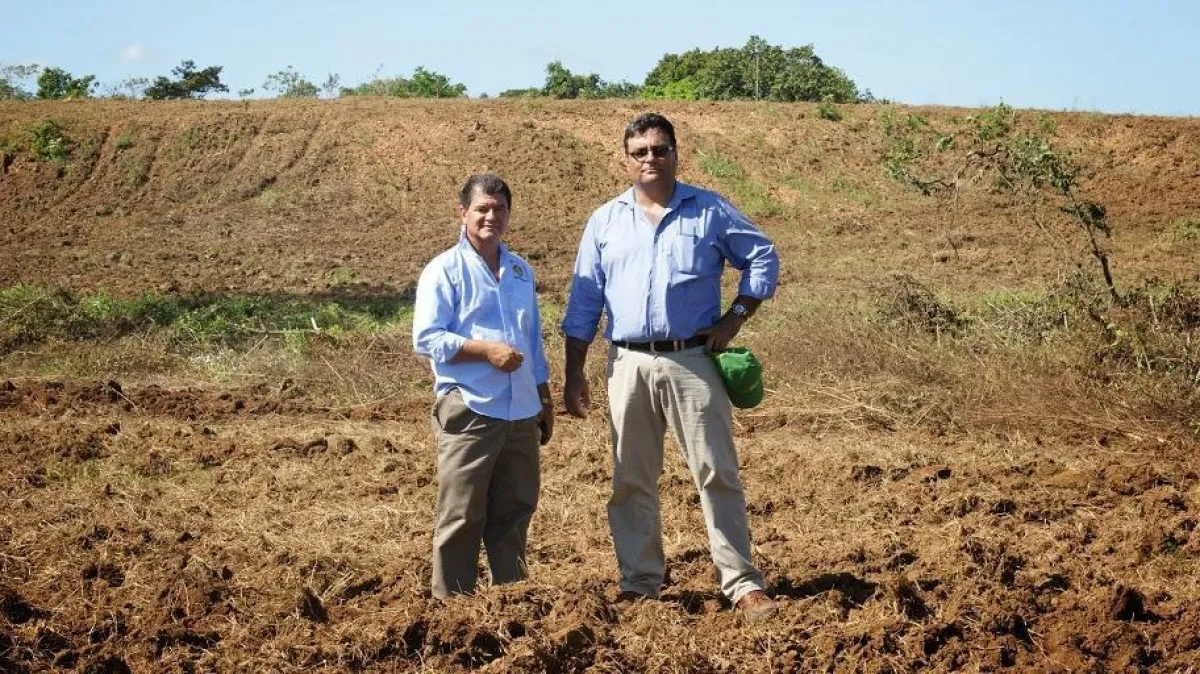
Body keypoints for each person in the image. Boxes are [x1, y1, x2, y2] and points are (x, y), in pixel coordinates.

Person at [561, 113, 780, 621]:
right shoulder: (605, 221)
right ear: (626, 158)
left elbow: (763, 255)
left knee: (716, 472)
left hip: (692, 360)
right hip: (628, 364)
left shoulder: (708, 210)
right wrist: (575, 372)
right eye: (640, 151)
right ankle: (640, 582)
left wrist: (736, 317)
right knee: (631, 478)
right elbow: (583, 302)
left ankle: (742, 584)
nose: (650, 159)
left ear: (676, 153)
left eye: (659, 149)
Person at [413, 174, 554, 599]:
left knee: (515, 509)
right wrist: (484, 351)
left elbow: (532, 340)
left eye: (500, 209)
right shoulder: (444, 270)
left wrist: (544, 397)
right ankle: (452, 607)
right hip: (471, 408)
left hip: (520, 410)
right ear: (463, 213)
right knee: (462, 513)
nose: (491, 216)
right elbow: (428, 339)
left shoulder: (518, 271)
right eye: (482, 209)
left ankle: (510, 597)